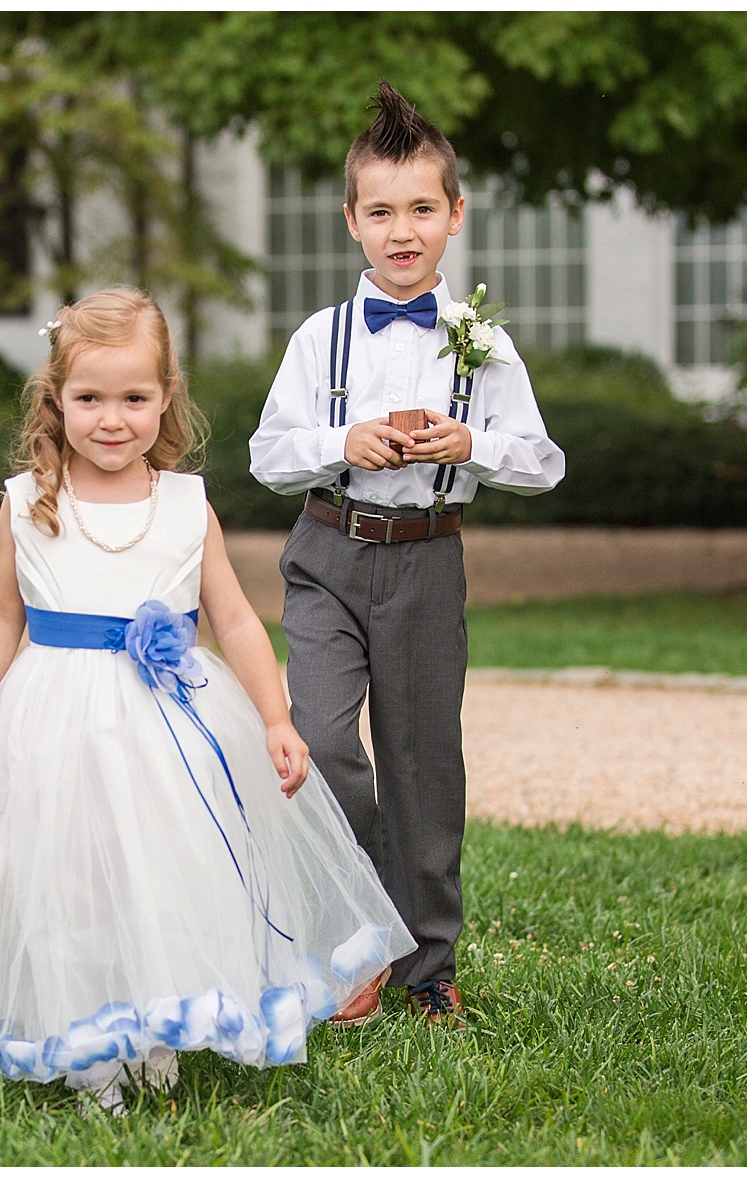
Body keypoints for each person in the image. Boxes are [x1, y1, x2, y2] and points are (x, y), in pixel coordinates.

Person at [0, 287, 416, 1115]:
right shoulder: (26, 502)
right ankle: (85, 1047)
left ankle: (156, 1028)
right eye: (90, 399)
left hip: (172, 722)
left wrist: (277, 718)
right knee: (71, 881)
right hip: (56, 723)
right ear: (55, 400)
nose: (113, 419)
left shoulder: (186, 503)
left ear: (165, 397)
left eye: (134, 398)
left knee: (169, 876)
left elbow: (237, 619)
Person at [249, 81, 565, 1027]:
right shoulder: (321, 338)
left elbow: (543, 463)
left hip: (427, 562)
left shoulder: (483, 345)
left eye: (421, 209)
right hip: (327, 555)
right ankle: (351, 952)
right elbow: (269, 453)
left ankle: (427, 966)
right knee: (325, 745)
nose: (401, 230)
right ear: (351, 220)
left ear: (454, 216)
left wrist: (473, 446)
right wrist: (340, 442)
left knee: (425, 761)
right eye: (380, 211)